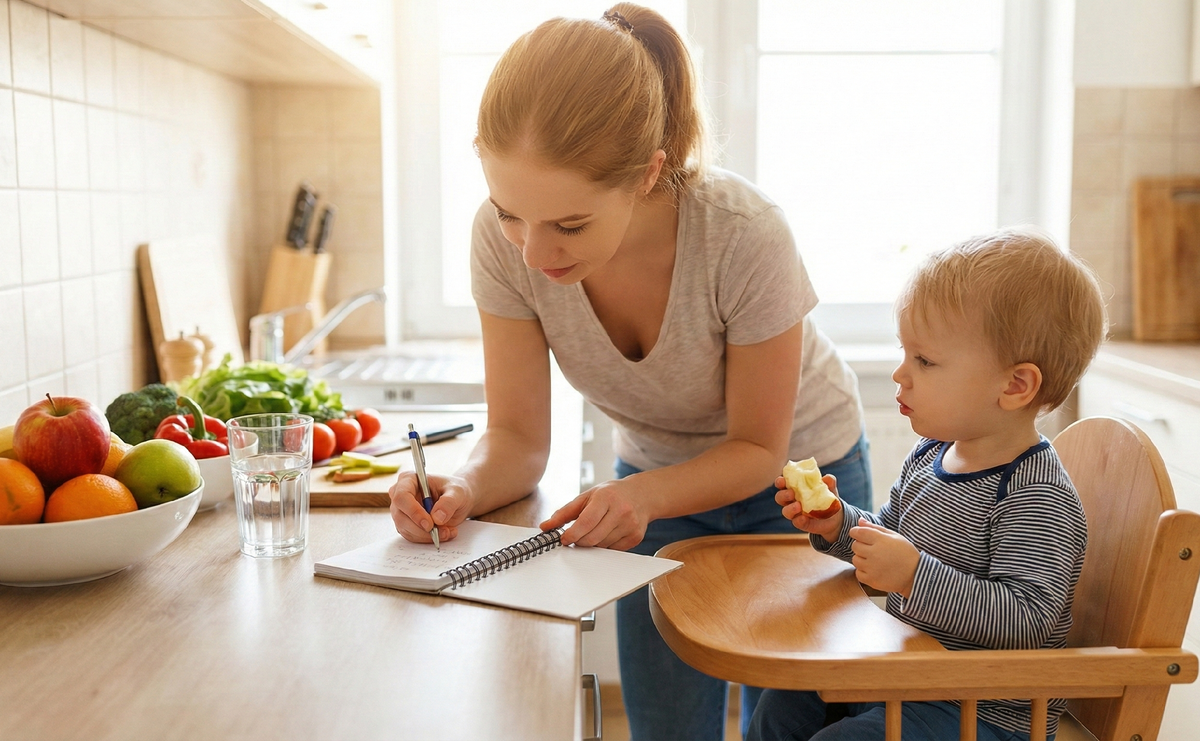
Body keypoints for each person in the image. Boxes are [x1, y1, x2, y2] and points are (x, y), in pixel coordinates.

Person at [388, 5, 870, 739]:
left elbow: (758, 449)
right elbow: (517, 435)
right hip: (654, 486)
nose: (532, 253)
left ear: (647, 174)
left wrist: (638, 495)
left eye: (569, 225)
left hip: (805, 485)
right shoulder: (503, 242)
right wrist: (463, 483)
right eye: (509, 212)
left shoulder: (745, 235)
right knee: (668, 726)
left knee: (799, 724)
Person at [748, 230, 1107, 741]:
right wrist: (838, 525)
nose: (901, 374)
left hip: (982, 712)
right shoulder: (933, 454)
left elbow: (1027, 619)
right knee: (785, 699)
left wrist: (915, 576)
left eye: (926, 361)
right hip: (907, 675)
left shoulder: (1034, 494)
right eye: (905, 353)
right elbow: (888, 542)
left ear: (1015, 385)